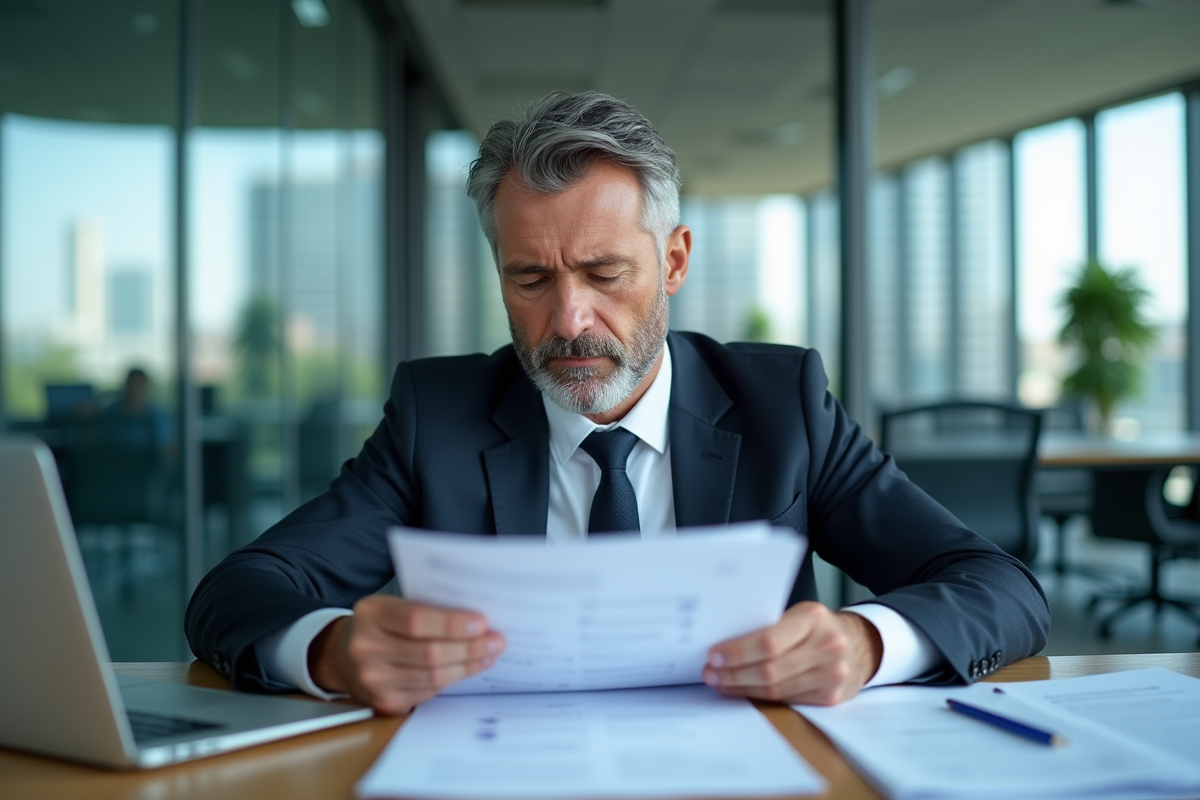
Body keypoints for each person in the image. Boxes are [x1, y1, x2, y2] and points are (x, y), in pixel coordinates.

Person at [185, 92, 1049, 715]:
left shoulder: (782, 403)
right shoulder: (436, 415)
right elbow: (240, 591)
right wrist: (332, 651)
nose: (569, 320)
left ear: (673, 262)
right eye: (531, 278)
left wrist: (865, 644)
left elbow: (999, 588)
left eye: (605, 275)